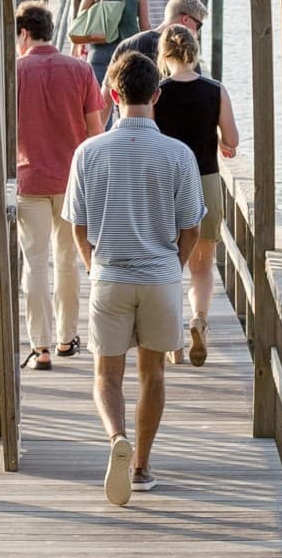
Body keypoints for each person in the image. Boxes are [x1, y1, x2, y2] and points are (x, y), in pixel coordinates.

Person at [63, 48, 203, 504]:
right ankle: (141, 466)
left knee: (107, 376)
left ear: (112, 93)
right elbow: (192, 227)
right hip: (161, 275)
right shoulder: (178, 154)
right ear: (156, 95)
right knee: (153, 374)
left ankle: (115, 439)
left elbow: (78, 224)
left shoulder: (88, 153)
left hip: (110, 275)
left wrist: (91, 263)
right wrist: (172, 268)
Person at [14, 0, 104, 369]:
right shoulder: (80, 70)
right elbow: (96, 131)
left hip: (29, 178)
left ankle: (41, 347)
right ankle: (67, 338)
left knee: (34, 263)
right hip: (72, 182)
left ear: (23, 34)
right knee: (67, 261)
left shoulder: (14, 71)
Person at [153, 23, 239, 367]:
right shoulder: (215, 90)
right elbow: (232, 140)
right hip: (205, 182)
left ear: (164, 55)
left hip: (167, 185)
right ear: (194, 52)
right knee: (202, 266)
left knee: (169, 264)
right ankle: (199, 321)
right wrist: (216, 140)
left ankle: (172, 338)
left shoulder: (157, 92)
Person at [109, 0, 206, 73]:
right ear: (186, 19)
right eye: (198, 26)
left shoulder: (127, 45)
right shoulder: (186, 53)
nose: (197, 33)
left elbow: (106, 92)